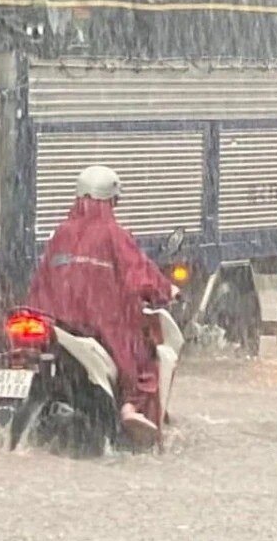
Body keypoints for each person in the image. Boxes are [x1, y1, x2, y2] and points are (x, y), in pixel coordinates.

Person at [26, 165, 174, 446]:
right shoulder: (115, 235)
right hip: (99, 326)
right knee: (141, 357)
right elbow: (141, 276)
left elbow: (41, 282)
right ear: (112, 201)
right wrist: (165, 290)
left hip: (55, 324)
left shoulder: (61, 234)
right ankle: (130, 406)